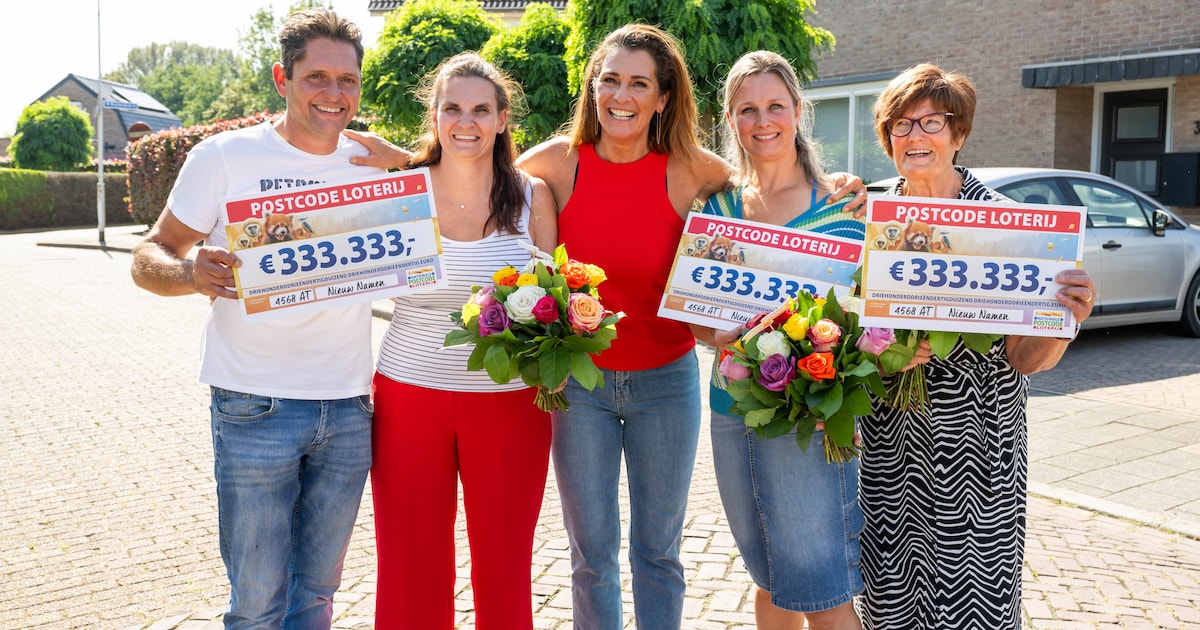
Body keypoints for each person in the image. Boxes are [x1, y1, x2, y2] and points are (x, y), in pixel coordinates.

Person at [346, 26, 865, 627]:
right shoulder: (557, 163)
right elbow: (472, 158)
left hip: (666, 381)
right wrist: (403, 161)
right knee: (591, 555)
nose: (622, 95)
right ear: (592, 89)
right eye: (610, 80)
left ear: (663, 98)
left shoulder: (695, 171)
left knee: (658, 550)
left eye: (639, 83)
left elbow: (765, 175)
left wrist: (837, 185)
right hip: (580, 386)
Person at [128, 9, 379, 629]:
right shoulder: (224, 157)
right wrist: (190, 274)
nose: (333, 93)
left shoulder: (373, 161)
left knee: (317, 594)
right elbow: (148, 255)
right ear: (281, 78)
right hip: (253, 403)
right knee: (258, 601)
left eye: (347, 80)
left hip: (349, 405)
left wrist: (407, 158)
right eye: (316, 77)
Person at [858, 63, 1096, 629]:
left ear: (959, 133)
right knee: (889, 604)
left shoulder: (1009, 226)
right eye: (900, 125)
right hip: (891, 457)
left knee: (976, 609)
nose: (914, 135)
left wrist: (1063, 321)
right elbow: (846, 339)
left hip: (979, 461)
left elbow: (1026, 360)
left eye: (931, 122)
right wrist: (877, 353)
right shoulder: (870, 220)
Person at [365, 52, 557, 629]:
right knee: (408, 560)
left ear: (502, 118)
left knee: (504, 562)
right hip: (407, 397)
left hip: (509, 402)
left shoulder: (533, 197)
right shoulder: (399, 193)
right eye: (452, 108)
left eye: (480, 110)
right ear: (434, 114)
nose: (465, 122)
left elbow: (555, 302)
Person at [691, 50, 865, 630]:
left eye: (775, 106)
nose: (762, 121)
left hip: (809, 417)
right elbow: (695, 317)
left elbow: (867, 323)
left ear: (797, 110)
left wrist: (842, 401)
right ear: (730, 119)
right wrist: (714, 331)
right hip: (730, 408)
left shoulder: (843, 206)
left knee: (823, 591)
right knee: (770, 579)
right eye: (747, 110)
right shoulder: (715, 209)